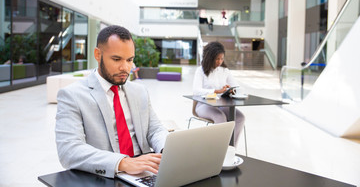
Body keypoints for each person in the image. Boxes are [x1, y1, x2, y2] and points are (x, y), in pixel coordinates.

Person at [55, 25, 169, 178]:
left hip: (144, 171)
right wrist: (122, 163)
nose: (125, 67)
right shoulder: (72, 95)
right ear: (97, 54)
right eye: (116, 59)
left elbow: (154, 130)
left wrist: (166, 150)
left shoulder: (139, 91)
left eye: (130, 60)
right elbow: (69, 150)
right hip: (106, 174)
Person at [192, 41, 245, 146]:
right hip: (203, 105)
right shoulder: (200, 71)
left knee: (240, 117)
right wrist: (216, 91)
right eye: (217, 59)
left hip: (221, 105)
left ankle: (231, 149)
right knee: (219, 117)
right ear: (209, 57)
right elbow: (196, 91)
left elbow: (237, 87)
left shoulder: (225, 71)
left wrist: (231, 89)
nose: (219, 61)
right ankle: (219, 150)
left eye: (221, 58)